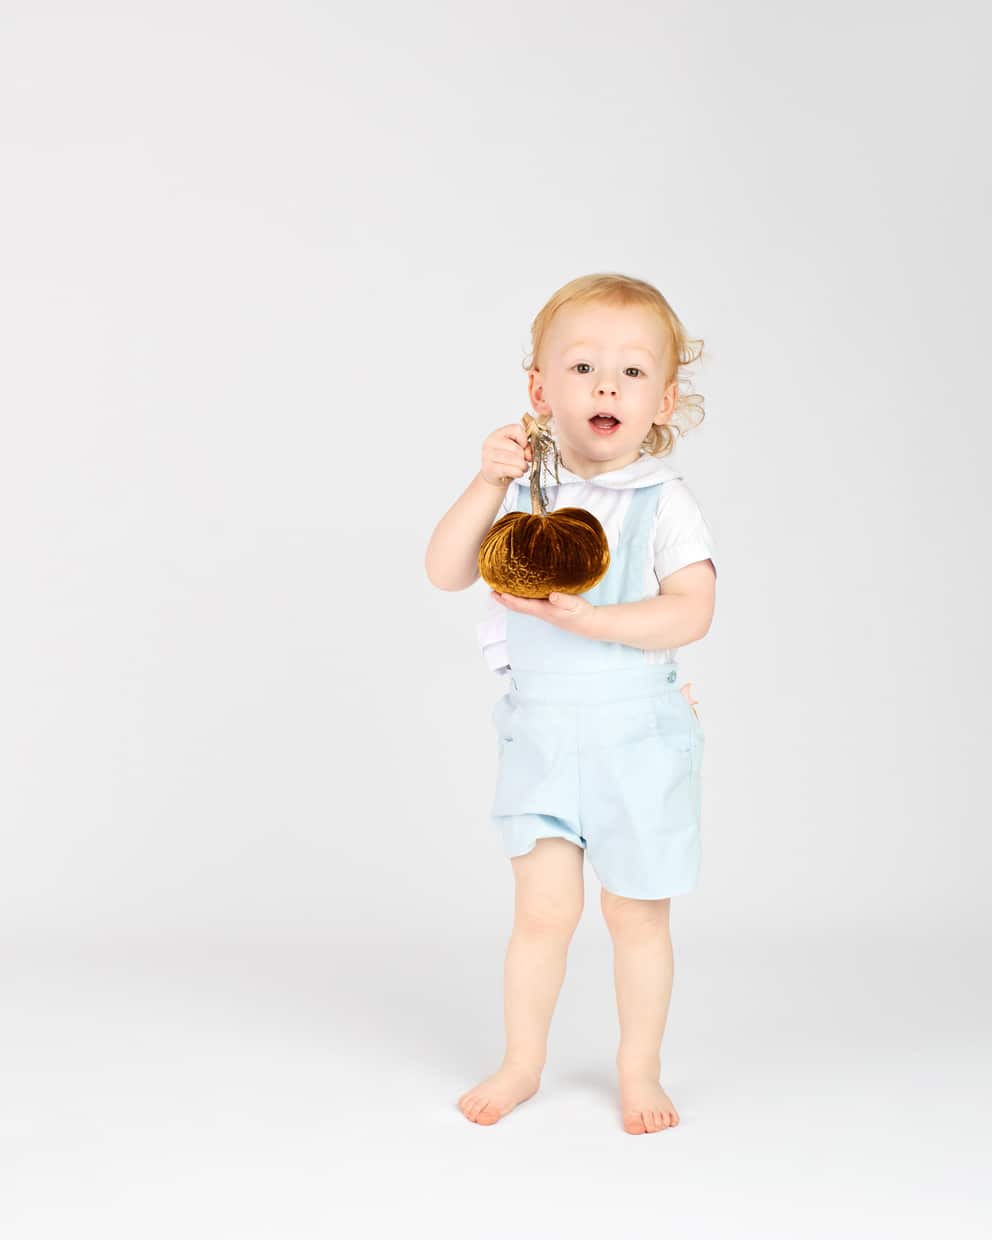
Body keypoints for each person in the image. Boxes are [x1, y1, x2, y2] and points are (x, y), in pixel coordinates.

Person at [424, 272, 717, 1135]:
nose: (604, 385)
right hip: (544, 735)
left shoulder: (664, 502)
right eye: (582, 366)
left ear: (662, 400)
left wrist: (595, 619)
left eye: (631, 373)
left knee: (636, 915)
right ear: (539, 389)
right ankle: (522, 1062)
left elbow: (691, 610)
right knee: (542, 913)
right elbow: (445, 569)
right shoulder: (522, 498)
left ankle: (639, 1069)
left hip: (638, 735)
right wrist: (484, 481)